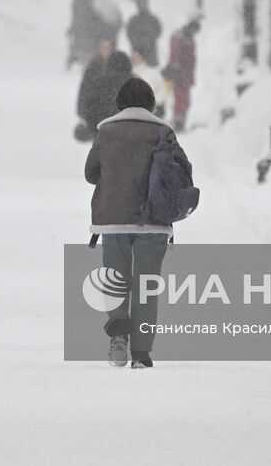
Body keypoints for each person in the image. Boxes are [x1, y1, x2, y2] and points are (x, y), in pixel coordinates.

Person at [84, 76, 192, 368]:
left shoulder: (106, 130)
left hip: (114, 219)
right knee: (146, 284)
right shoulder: (163, 131)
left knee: (116, 280)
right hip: (153, 219)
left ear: (119, 103)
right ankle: (142, 353)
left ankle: (119, 336)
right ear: (150, 103)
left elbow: (91, 173)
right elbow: (184, 170)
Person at [76, 40, 133, 139]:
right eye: (103, 47)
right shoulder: (93, 67)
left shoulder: (100, 82)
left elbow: (90, 102)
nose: (105, 50)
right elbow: (85, 91)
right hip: (122, 130)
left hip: (104, 128)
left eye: (108, 47)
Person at [162, 18, 200, 132]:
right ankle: (177, 123)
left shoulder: (190, 39)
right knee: (180, 99)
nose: (195, 32)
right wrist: (177, 71)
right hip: (179, 73)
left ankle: (181, 121)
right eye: (194, 29)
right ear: (189, 26)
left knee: (186, 100)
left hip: (186, 74)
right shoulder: (178, 37)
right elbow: (175, 56)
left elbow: (191, 60)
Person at [68, 0, 103, 69]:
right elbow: (75, 12)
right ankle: (77, 60)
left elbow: (96, 13)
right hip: (81, 26)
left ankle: (85, 62)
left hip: (87, 26)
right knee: (79, 45)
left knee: (86, 45)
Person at [129, 49, 169, 121]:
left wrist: (153, 103)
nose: (133, 59)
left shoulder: (152, 73)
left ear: (142, 58)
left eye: (136, 56)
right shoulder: (127, 74)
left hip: (153, 112)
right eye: (132, 56)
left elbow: (163, 90)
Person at [125, 0, 163, 67]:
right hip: (137, 51)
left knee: (151, 73)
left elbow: (158, 31)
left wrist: (150, 39)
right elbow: (129, 33)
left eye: (144, 3)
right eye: (140, 3)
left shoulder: (153, 19)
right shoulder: (133, 20)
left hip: (150, 51)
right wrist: (136, 41)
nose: (142, 5)